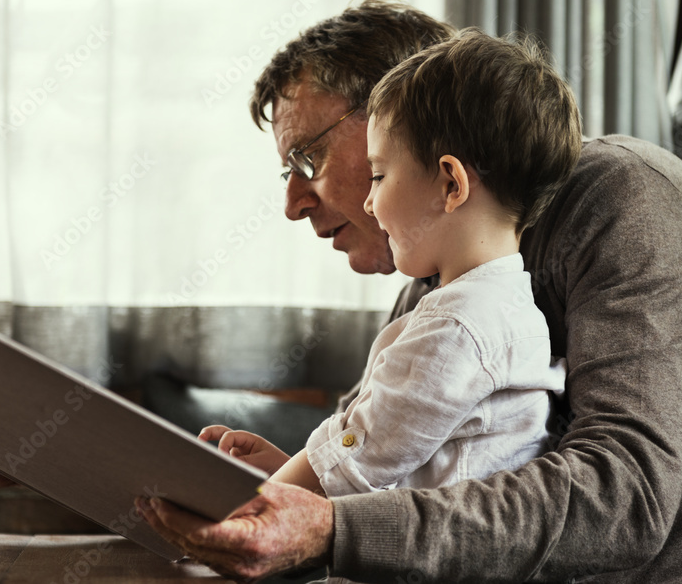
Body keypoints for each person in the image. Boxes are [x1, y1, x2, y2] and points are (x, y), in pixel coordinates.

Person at [0, 0, 682, 582]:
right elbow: (398, 457)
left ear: (402, 119)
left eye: (306, 158)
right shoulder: (449, 272)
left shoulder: (631, 199)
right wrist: (72, 457)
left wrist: (327, 526)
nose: (294, 203)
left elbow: (622, 496)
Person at [197, 29, 579, 507]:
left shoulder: (457, 327)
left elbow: (362, 455)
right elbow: (402, 461)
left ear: (450, 184)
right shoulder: (509, 309)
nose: (371, 202)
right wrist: (287, 470)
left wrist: (250, 504)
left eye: (379, 175)